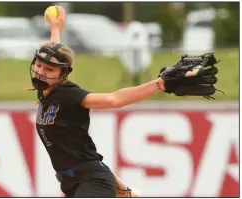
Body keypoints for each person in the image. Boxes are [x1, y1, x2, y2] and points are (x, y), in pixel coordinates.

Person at [27, 6, 165, 197]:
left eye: (49, 69)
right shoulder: (45, 91)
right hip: (72, 183)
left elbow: (114, 99)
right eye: (39, 65)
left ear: (62, 74)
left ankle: (122, 188)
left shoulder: (69, 95)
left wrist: (160, 84)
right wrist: (56, 29)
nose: (41, 71)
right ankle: (124, 190)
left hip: (93, 181)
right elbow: (55, 55)